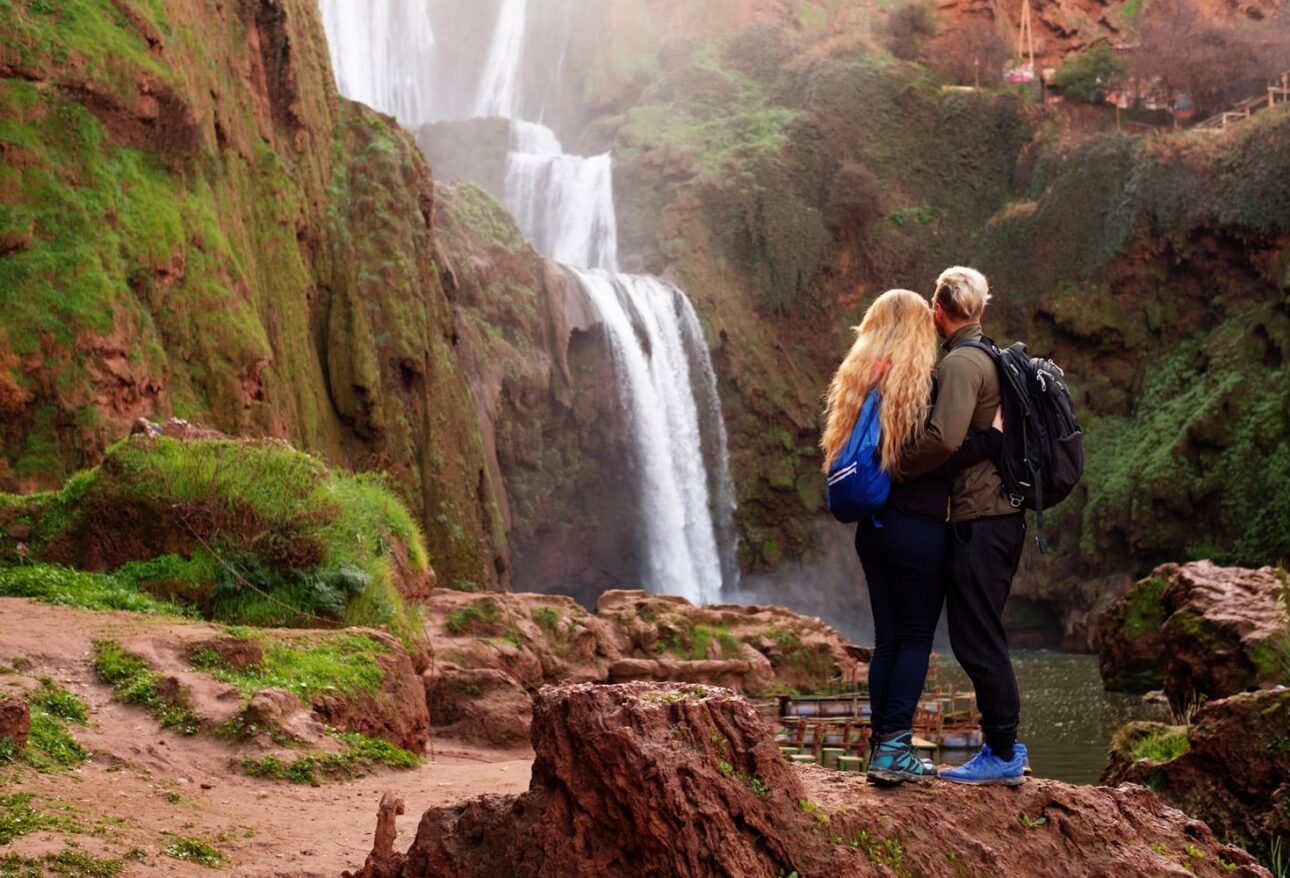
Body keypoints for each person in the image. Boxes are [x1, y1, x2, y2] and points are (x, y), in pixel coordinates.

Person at [821, 289, 1001, 784]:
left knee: (887, 640)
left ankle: (882, 744)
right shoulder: (922, 382)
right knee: (916, 637)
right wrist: (992, 438)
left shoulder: (860, 381)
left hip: (872, 530)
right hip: (918, 531)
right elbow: (935, 455)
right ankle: (895, 750)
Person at [899, 266, 1028, 786]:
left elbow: (943, 441)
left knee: (977, 639)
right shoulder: (992, 355)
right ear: (980, 310)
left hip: (981, 516)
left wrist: (900, 465)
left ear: (938, 310)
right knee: (983, 632)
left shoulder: (961, 364)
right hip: (1000, 517)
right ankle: (1005, 746)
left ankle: (1001, 752)